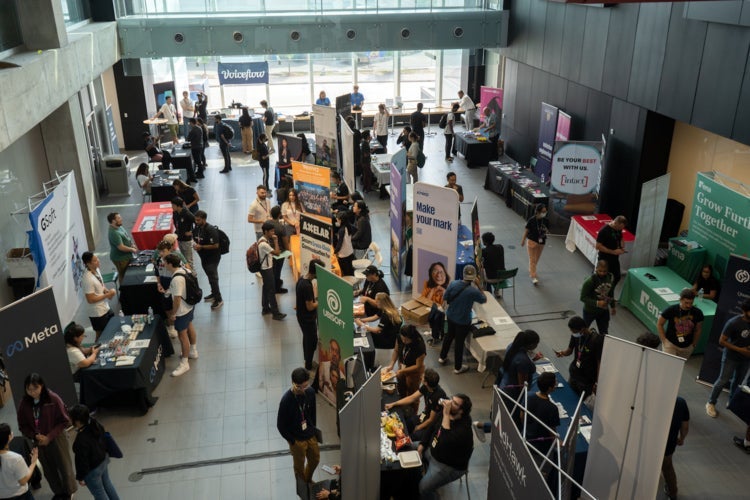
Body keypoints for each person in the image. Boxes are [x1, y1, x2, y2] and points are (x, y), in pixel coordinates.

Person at [634, 333, 690, 500]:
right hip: (668, 441)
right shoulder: (680, 402)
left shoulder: (646, 398)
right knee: (667, 467)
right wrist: (681, 438)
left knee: (641, 464)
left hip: (646, 439)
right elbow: (685, 425)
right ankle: (673, 493)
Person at [17, 373, 77, 499]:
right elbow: (22, 425)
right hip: (38, 441)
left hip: (57, 438)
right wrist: (34, 435)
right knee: (48, 469)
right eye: (29, 389)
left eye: (35, 388)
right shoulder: (24, 403)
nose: (32, 392)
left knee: (64, 466)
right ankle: (58, 492)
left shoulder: (53, 399)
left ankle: (69, 491)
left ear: (42, 386)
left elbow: (64, 421)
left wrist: (49, 437)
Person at [418, 394, 474, 500]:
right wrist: (422, 444)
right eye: (451, 399)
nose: (449, 403)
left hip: (447, 465)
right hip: (432, 449)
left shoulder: (464, 429)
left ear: (461, 411)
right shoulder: (446, 413)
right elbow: (431, 428)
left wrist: (446, 414)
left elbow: (444, 441)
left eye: (455, 403)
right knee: (407, 447)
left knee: (423, 488)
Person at [438, 265, 487, 374]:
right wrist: (479, 286)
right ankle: (457, 367)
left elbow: (445, 297)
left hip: (450, 316)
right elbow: (484, 299)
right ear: (474, 277)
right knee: (459, 343)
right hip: (463, 321)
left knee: (449, 336)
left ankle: (442, 357)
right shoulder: (472, 291)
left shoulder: (453, 284)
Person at [706, 300, 750, 418]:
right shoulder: (733, 322)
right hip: (731, 357)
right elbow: (721, 341)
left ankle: (732, 402)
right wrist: (741, 350)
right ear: (745, 311)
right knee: (723, 380)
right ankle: (711, 402)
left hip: (746, 359)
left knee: (738, 381)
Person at [277, 368, 320, 484]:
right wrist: (292, 441)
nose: (303, 389)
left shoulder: (310, 392)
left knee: (315, 458)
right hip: (296, 440)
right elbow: (280, 425)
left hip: (309, 434)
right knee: (299, 467)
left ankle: (307, 479)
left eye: (306, 386)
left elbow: (313, 413)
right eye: (300, 387)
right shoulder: (286, 400)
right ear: (293, 383)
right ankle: (303, 488)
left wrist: (313, 429)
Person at [68, 404, 120, 500]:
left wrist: (81, 477)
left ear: (77, 421)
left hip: (93, 470)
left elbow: (82, 462)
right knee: (108, 484)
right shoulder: (95, 424)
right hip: (103, 459)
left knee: (99, 492)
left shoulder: (80, 440)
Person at [158, 253, 198, 376]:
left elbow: (177, 299)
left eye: (165, 262)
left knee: (182, 335)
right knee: (189, 325)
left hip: (181, 310)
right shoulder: (184, 270)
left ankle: (184, 363)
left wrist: (173, 314)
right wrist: (166, 291)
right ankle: (193, 350)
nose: (163, 264)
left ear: (170, 264)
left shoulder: (176, 279)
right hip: (190, 306)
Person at [385, 368, 447, 441]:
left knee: (411, 437)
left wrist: (418, 427)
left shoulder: (438, 396)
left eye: (423, 376)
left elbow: (431, 419)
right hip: (424, 416)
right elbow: (412, 398)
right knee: (404, 425)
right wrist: (394, 404)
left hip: (431, 425)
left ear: (426, 382)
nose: (421, 376)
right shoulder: (426, 387)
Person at [554, 316, 603, 397]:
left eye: (574, 331)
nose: (573, 333)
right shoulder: (575, 335)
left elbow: (599, 363)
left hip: (587, 379)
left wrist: (597, 382)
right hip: (574, 373)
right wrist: (562, 353)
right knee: (570, 396)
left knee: (583, 401)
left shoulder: (597, 340)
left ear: (582, 329)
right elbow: (569, 351)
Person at [657, 288, 704, 359]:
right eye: (686, 303)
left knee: (678, 367)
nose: (689, 305)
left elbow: (698, 329)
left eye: (691, 303)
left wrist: (694, 344)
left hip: (687, 347)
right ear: (681, 299)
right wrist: (664, 341)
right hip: (670, 345)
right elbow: (659, 324)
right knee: (667, 365)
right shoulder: (671, 309)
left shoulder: (698, 313)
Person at [192, 210, 224, 310]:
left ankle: (219, 299)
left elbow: (215, 245)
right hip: (204, 257)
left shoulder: (210, 230)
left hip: (212, 258)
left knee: (213, 278)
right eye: (195, 220)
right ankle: (213, 293)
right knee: (210, 277)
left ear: (204, 219)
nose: (196, 222)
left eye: (198, 220)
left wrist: (201, 247)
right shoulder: (198, 228)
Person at [498, 330, 541, 403]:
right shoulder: (523, 361)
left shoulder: (512, 346)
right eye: (536, 344)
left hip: (504, 384)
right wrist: (525, 401)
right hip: (512, 394)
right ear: (531, 345)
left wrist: (533, 360)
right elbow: (522, 385)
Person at [386, 325, 427, 402]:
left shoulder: (419, 346)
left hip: (414, 371)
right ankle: (402, 402)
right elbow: (396, 351)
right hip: (402, 365)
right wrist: (391, 364)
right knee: (400, 386)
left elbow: (418, 366)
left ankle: (412, 410)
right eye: (402, 339)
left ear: (412, 338)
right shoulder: (400, 337)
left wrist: (402, 371)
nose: (404, 341)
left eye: (406, 340)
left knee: (412, 392)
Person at [81, 252, 116, 341]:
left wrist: (106, 290)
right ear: (88, 264)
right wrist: (107, 295)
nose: (98, 261)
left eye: (97, 259)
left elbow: (101, 284)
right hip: (97, 312)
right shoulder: (87, 279)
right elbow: (90, 299)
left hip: (105, 307)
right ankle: (96, 352)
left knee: (111, 328)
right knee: (100, 335)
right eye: (95, 260)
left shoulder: (96, 270)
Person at [0, 423, 38, 500]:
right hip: (20, 496)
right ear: (9, 437)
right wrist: (33, 462)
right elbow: (23, 480)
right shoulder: (15, 458)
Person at [296, 259, 322, 370]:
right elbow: (310, 306)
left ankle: (307, 360)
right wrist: (321, 302)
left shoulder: (302, 279)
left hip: (301, 316)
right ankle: (309, 364)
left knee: (306, 338)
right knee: (311, 341)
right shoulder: (307, 286)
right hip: (307, 319)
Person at [259, 221, 287, 320]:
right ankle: (276, 313)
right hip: (267, 269)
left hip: (265, 268)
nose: (273, 233)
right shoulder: (264, 244)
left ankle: (265, 308)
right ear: (266, 231)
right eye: (271, 231)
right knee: (271, 290)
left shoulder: (263, 240)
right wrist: (276, 241)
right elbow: (277, 253)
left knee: (266, 288)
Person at [580, 260, 616, 335]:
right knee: (583, 331)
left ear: (608, 270)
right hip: (589, 311)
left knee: (604, 333)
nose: (602, 273)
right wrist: (597, 303)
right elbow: (583, 297)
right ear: (596, 269)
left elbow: (611, 292)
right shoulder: (589, 281)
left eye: (604, 271)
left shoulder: (610, 278)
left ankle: (602, 345)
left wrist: (613, 306)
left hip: (603, 311)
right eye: (600, 271)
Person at [422, 262, 451, 344]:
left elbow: (446, 306)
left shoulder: (450, 288)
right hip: (431, 313)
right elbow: (425, 302)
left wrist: (445, 292)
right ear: (431, 274)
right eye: (435, 272)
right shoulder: (427, 285)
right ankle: (435, 336)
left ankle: (438, 337)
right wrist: (433, 291)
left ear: (445, 274)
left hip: (444, 316)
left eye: (441, 272)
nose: (438, 275)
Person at [595, 215, 627, 289]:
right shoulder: (604, 231)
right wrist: (613, 252)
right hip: (604, 258)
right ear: (615, 223)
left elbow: (621, 237)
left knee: (617, 277)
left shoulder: (618, 229)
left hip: (614, 258)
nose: (620, 229)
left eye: (622, 228)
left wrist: (621, 247)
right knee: (602, 279)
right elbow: (598, 246)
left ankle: (609, 293)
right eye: (620, 227)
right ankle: (599, 295)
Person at [521, 203, 548, 285]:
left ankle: (532, 269)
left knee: (536, 259)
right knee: (532, 259)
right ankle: (533, 276)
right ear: (538, 212)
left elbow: (547, 230)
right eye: (543, 211)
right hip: (532, 241)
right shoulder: (531, 220)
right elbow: (526, 230)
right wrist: (523, 240)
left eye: (545, 211)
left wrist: (545, 231)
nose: (544, 213)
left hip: (541, 242)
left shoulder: (545, 220)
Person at [107, 212, 137, 283]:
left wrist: (131, 244)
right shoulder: (114, 233)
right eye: (119, 218)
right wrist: (132, 249)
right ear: (113, 221)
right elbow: (121, 247)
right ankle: (124, 290)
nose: (121, 219)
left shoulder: (119, 226)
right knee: (123, 275)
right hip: (120, 258)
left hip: (126, 255)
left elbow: (126, 236)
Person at [268, 206, 289, 293]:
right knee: (278, 269)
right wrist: (288, 252)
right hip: (280, 252)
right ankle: (276, 287)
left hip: (269, 250)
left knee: (272, 268)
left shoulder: (267, 223)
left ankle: (274, 282)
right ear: (279, 215)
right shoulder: (281, 227)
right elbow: (285, 241)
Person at [171, 196, 195, 270]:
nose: (172, 207)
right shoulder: (175, 213)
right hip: (179, 238)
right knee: (183, 260)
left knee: (188, 261)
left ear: (178, 206)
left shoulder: (187, 213)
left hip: (186, 241)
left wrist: (191, 232)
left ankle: (193, 278)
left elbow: (197, 223)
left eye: (173, 205)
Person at [333, 210, 355, 277]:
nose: (337, 220)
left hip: (343, 255)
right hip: (350, 251)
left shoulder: (341, 230)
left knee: (345, 273)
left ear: (341, 220)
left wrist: (334, 252)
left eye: (338, 219)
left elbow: (339, 244)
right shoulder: (348, 226)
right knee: (350, 270)